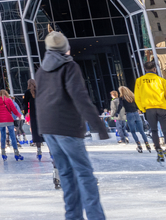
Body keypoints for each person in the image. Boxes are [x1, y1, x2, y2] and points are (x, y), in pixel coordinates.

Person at [35, 31, 110, 220]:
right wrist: (98, 126)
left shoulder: (41, 70)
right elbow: (80, 97)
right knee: (84, 174)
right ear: (65, 48)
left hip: (49, 128)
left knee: (66, 174)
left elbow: (40, 100)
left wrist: (41, 129)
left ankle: (73, 216)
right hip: (67, 126)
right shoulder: (69, 66)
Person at [133, 59, 166, 165]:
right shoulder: (161, 80)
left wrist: (143, 109)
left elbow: (137, 97)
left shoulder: (139, 81)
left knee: (154, 130)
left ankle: (158, 149)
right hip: (162, 108)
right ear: (154, 69)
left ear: (145, 69)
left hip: (149, 109)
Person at [115, 86, 150, 153]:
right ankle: (147, 144)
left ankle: (139, 145)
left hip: (129, 115)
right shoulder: (133, 96)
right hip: (136, 114)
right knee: (142, 131)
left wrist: (117, 113)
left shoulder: (122, 98)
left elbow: (120, 106)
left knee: (133, 131)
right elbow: (138, 104)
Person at [0, 89, 24, 160]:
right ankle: (16, 153)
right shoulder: (9, 100)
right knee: (12, 136)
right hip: (8, 119)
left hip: (0, 120)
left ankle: (3, 153)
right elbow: (14, 109)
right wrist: (19, 115)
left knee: (3, 136)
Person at [24, 79, 44, 160]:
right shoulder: (39, 91)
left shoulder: (27, 92)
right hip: (42, 113)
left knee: (35, 131)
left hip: (33, 114)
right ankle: (51, 150)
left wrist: (25, 113)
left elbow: (25, 104)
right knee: (44, 130)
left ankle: (39, 149)